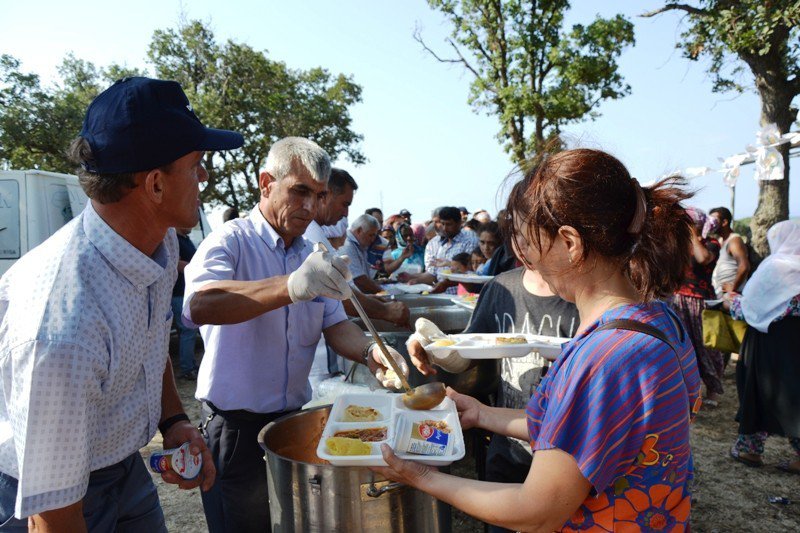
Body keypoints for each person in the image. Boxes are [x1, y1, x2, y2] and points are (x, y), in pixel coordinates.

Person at [372, 149, 701, 532]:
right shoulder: (659, 320)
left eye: (529, 245)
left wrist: (419, 477)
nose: (527, 259)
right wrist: (482, 413)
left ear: (570, 242)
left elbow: (537, 512)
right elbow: (583, 432)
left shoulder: (603, 358)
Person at [0, 77, 238, 530]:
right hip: (46, 493)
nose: (204, 176)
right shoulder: (63, 329)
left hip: (122, 467)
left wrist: (173, 419)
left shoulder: (160, 243)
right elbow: (53, 518)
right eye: (197, 164)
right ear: (154, 185)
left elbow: (151, 333)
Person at [182, 137, 409, 532]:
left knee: (291, 524)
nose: (310, 206)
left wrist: (374, 352)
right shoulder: (231, 241)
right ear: (266, 183)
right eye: (299, 191)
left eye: (318, 195)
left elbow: (336, 325)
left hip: (291, 423)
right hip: (235, 427)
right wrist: (290, 286)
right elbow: (201, 303)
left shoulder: (311, 255)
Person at [409, 265, 579, 533]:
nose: (524, 245)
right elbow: (465, 353)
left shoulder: (582, 294)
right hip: (506, 448)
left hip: (566, 460)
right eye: (517, 234)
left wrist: (423, 477)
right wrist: (433, 346)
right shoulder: (502, 289)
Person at [305, 169, 410, 388]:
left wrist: (371, 350)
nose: (345, 213)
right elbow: (346, 298)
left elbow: (338, 312)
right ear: (324, 195)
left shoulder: (315, 233)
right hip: (314, 366)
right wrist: (386, 311)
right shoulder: (311, 235)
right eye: (344, 204)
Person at [725, 220, 800, 474]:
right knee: (795, 395)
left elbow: (750, 307)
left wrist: (730, 302)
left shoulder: (775, 267)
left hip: (766, 343)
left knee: (756, 391)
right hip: (795, 346)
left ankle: (750, 450)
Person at [669, 207, 725, 406]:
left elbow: (702, 259)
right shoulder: (682, 244)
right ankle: (689, 390)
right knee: (683, 344)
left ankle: (713, 389)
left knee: (705, 345)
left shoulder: (711, 244)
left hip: (699, 301)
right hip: (678, 299)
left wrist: (693, 233)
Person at [401, 206, 479, 294]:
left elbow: (470, 273)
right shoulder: (436, 243)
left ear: (459, 223)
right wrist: (414, 279)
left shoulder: (470, 241)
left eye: (449, 224)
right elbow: (433, 274)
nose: (445, 228)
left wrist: (445, 283)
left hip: (462, 296)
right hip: (442, 295)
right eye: (443, 224)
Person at [173, 227, 200, 380]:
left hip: (185, 292)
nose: (192, 226)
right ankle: (187, 369)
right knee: (187, 331)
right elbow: (174, 262)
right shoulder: (174, 239)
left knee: (190, 330)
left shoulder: (185, 239)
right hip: (178, 293)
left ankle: (190, 365)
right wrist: (193, 268)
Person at [710, 206, 750, 297]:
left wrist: (733, 288)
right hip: (721, 294)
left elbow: (744, 266)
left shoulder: (734, 240)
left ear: (724, 222)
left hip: (732, 296)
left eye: (714, 220)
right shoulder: (720, 240)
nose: (711, 223)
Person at [339, 214, 384, 294]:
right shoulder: (347, 245)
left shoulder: (361, 245)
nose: (373, 239)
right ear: (359, 230)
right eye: (371, 235)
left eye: (374, 236)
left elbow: (365, 276)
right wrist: (384, 293)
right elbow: (359, 280)